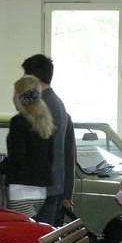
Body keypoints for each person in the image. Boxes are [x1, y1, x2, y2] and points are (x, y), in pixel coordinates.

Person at [22, 54, 74, 226]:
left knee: (32, 237)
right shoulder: (59, 104)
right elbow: (68, 151)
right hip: (53, 187)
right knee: (46, 235)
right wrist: (67, 192)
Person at [0, 75, 55, 218]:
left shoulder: (18, 122)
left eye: (15, 94)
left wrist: (1, 166)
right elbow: (50, 158)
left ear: (20, 97)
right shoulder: (45, 123)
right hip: (41, 192)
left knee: (21, 229)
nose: (13, 98)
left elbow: (17, 159)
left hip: (21, 191)